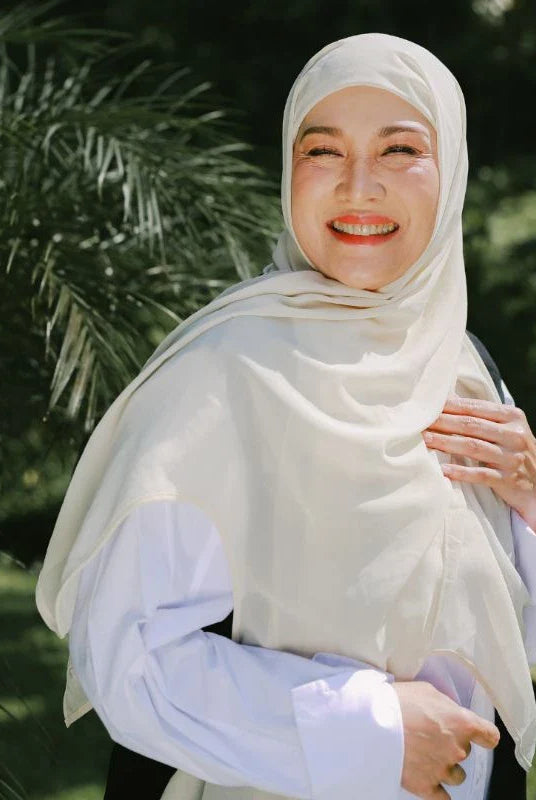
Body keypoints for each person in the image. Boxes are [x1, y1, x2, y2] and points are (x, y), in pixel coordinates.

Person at [35, 33, 536, 800]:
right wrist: (372, 732)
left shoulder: (465, 371)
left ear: (453, 171)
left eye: (400, 149)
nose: (358, 186)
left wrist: (531, 507)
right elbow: (128, 657)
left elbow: (506, 643)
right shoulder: (223, 375)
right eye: (323, 152)